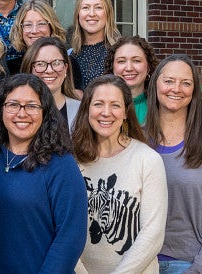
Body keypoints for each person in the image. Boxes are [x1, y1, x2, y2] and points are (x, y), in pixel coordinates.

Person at [0, 74, 88, 273]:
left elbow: (71, 236)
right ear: (0, 109)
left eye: (32, 106)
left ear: (45, 113)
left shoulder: (61, 165)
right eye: (13, 104)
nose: (22, 113)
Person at [145, 54, 202, 274]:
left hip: (189, 263)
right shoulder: (137, 139)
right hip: (140, 262)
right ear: (155, 84)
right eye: (169, 81)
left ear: (194, 91)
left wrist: (200, 268)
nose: (177, 88)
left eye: (186, 83)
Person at [71, 75, 167, 274]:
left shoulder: (147, 159)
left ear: (125, 112)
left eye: (115, 105)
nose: (106, 112)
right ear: (87, 109)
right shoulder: (70, 161)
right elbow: (62, 229)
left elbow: (153, 233)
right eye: (98, 104)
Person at [21, 37, 80, 131]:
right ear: (29, 68)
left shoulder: (80, 111)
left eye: (56, 63)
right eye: (40, 64)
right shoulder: (16, 112)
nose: (49, 70)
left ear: (66, 68)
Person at [70, 0, 122, 92]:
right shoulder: (68, 55)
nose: (92, 13)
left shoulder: (119, 53)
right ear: (78, 14)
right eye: (85, 8)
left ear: (107, 13)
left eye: (98, 7)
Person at [106, 36, 158, 124]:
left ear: (149, 67)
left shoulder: (160, 104)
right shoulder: (100, 103)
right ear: (112, 67)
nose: (129, 68)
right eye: (121, 61)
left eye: (136, 61)